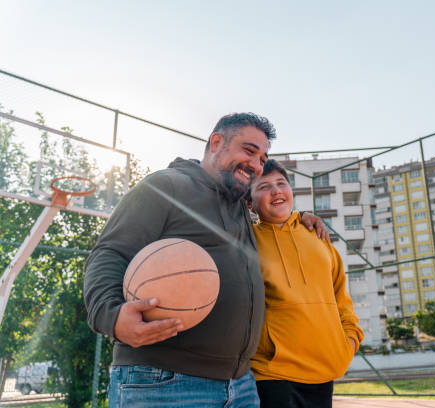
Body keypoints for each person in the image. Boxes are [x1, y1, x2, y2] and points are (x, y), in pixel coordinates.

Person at [83, 113, 327, 408]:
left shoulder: (239, 207)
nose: (256, 164)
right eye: (249, 151)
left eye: (262, 159)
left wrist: (300, 218)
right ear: (216, 142)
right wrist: (112, 317)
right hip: (163, 380)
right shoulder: (165, 186)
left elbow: (272, 216)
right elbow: (110, 253)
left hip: (241, 385)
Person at [247, 159, 364, 408]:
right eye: (264, 186)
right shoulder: (246, 240)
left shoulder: (317, 235)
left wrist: (351, 339)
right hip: (273, 374)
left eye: (281, 183)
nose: (276, 190)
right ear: (249, 203)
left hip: (326, 370)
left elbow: (340, 294)